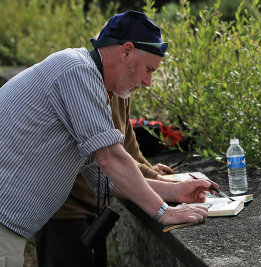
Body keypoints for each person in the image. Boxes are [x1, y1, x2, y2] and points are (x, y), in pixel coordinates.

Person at [0, 10, 217, 267]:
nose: (148, 82)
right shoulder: (76, 70)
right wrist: (164, 212)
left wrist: (175, 191)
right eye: (148, 69)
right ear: (126, 52)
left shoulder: (91, 83)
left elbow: (105, 177)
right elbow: (110, 159)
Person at [34, 95, 177, 267]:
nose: (147, 82)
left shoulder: (120, 91)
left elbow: (128, 146)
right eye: (147, 70)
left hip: (92, 206)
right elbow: (108, 156)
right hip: (63, 210)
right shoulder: (84, 88)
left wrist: (150, 171)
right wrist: (161, 182)